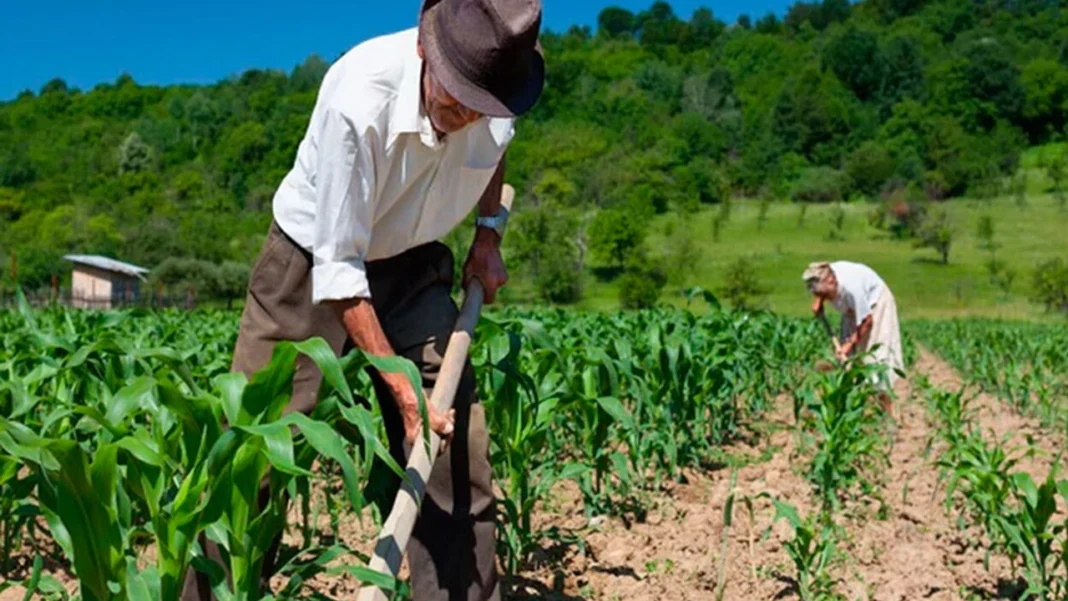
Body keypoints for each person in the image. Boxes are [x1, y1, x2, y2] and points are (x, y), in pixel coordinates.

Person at [181, 0, 544, 599]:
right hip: (312, 262)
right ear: (426, 50)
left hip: (414, 260)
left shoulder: (503, 82)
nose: (463, 118)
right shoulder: (359, 96)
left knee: (456, 452)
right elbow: (340, 272)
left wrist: (487, 234)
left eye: (481, 108)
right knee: (256, 457)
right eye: (454, 98)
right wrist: (404, 398)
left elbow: (497, 145)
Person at [803, 261, 904, 400]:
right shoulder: (825, 274)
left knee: (875, 359)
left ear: (832, 281)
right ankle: (853, 401)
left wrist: (849, 344)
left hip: (876, 305)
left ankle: (885, 411)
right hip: (851, 309)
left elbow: (867, 321)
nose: (824, 296)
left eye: (823, 293)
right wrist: (819, 300)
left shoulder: (852, 288)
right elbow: (818, 281)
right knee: (847, 360)